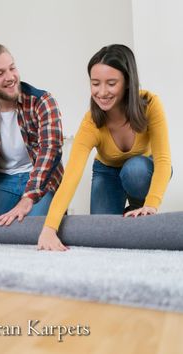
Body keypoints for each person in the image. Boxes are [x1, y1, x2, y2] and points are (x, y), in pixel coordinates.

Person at [38, 44, 172, 251]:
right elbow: (71, 176)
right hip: (106, 172)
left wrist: (151, 205)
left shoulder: (150, 104)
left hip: (143, 171)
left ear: (127, 81)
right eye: (95, 83)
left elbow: (163, 160)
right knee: (103, 235)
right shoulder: (91, 122)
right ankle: (130, 218)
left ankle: (138, 208)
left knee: (134, 170)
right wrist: (49, 228)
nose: (102, 92)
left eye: (111, 83)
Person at [0, 44, 63, 225]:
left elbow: (51, 149)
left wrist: (29, 198)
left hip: (40, 177)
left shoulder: (42, 101)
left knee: (33, 228)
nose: (10, 77)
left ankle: (53, 208)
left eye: (12, 68)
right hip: (3, 181)